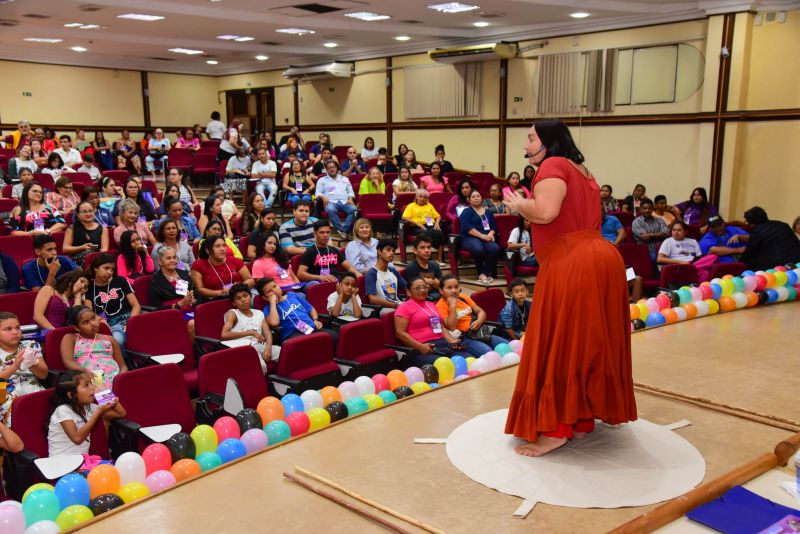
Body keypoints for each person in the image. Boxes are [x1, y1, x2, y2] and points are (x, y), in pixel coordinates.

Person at [502, 119, 637, 456]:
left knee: (564, 342)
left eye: (531, 138)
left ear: (548, 140)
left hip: (574, 262)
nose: (525, 145)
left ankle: (558, 428)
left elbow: (546, 212)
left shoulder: (552, 164)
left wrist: (519, 205)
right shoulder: (583, 170)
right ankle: (580, 420)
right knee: (586, 340)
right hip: (601, 258)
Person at [47, 369, 126, 458]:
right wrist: (98, 413)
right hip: (61, 463)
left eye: (91, 383)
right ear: (71, 395)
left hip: (82, 462)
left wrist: (106, 394)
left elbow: (121, 413)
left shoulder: (89, 407)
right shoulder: (62, 410)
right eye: (86, 385)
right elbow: (77, 439)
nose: (93, 388)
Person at [394, 277, 468, 366]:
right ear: (408, 292)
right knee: (448, 366)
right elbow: (400, 333)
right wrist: (420, 346)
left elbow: (440, 326)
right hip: (423, 348)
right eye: (417, 288)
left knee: (467, 360)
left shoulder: (431, 305)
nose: (422, 290)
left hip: (442, 344)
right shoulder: (404, 307)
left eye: (424, 287)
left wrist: (450, 340)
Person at [60, 306, 128, 390]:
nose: (93, 323)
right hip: (89, 381)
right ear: (76, 327)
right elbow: (68, 362)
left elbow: (123, 366)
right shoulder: (71, 338)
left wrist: (119, 379)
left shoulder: (110, 339)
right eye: (86, 322)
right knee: (106, 399)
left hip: (114, 380)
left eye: (93, 318)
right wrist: (85, 372)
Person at [436, 275, 505, 356]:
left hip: (479, 331)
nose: (454, 290)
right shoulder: (440, 306)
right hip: (463, 338)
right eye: (449, 288)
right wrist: (452, 306)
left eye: (456, 287)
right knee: (488, 352)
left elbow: (481, 312)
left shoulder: (463, 297)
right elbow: (451, 326)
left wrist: (479, 321)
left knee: (505, 344)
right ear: (441, 290)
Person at [0, 311, 48, 424]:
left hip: (33, 389)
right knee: (16, 418)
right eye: (8, 329)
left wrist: (31, 363)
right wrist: (15, 366)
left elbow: (44, 374)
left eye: (17, 328)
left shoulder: (30, 344)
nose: (15, 332)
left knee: (56, 411)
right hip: (4, 394)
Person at [259, 277, 336, 344]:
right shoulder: (268, 308)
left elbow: (311, 308)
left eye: (275, 286)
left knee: (333, 336)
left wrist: (315, 320)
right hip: (292, 334)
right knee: (308, 343)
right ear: (265, 297)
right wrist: (272, 303)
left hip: (311, 327)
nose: (275, 290)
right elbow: (274, 323)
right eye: (270, 291)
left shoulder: (293, 295)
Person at [87, 253, 141, 348]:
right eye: (106, 268)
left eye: (112, 269)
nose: (109, 272)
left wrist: (130, 323)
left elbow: (136, 305)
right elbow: (89, 312)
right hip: (110, 324)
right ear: (95, 268)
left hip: (130, 317)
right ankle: (126, 362)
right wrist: (101, 320)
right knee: (117, 340)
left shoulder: (120, 281)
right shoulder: (89, 287)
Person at [221, 283, 273, 373]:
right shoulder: (233, 313)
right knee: (260, 365)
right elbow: (224, 335)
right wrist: (251, 332)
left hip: (259, 345)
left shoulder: (259, 313)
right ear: (234, 303)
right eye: (238, 298)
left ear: (250, 296)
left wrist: (268, 348)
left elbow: (267, 333)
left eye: (245, 296)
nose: (243, 300)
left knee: (285, 353)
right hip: (242, 348)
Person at [297, 220, 358, 288]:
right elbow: (300, 274)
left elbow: (349, 267)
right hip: (317, 282)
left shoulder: (334, 250)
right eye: (321, 232)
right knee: (314, 284)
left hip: (335, 282)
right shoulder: (310, 251)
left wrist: (360, 277)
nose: (325, 235)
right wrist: (320, 277)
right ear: (315, 234)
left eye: (328, 232)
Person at [191, 236, 254, 301]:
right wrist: (220, 293)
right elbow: (200, 290)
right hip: (214, 301)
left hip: (240, 297)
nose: (222, 249)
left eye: (224, 245)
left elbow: (250, 280)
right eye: (217, 246)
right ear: (207, 250)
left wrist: (240, 287)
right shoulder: (198, 265)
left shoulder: (235, 261)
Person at [459, 190, 501, 284]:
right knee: (479, 249)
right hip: (469, 237)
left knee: (495, 248)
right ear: (469, 200)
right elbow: (467, 227)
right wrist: (481, 236)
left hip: (486, 236)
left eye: (478, 196)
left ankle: (484, 273)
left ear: (481, 198)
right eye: (473, 197)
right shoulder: (466, 212)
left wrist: (491, 234)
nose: (476, 198)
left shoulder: (488, 212)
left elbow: (494, 226)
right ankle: (480, 271)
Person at [149, 245, 196, 317]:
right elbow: (155, 308)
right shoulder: (155, 280)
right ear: (160, 262)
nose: (173, 261)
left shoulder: (183, 274)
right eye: (168, 258)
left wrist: (194, 301)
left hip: (190, 310)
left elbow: (196, 294)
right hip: (170, 314)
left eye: (174, 257)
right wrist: (178, 304)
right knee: (193, 323)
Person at [315, 159, 357, 237]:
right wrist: (323, 197)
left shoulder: (345, 179)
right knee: (331, 209)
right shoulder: (322, 180)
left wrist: (350, 198)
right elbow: (318, 192)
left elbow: (351, 191)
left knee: (354, 210)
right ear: (326, 169)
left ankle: (343, 230)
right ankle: (341, 229)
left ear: (337, 168)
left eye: (333, 167)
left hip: (345, 202)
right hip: (331, 202)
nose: (332, 168)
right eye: (329, 167)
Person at [401, 189, 445, 262]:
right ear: (416, 197)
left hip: (430, 224)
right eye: (420, 196)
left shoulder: (429, 205)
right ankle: (427, 258)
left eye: (424, 197)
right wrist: (417, 223)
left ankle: (439, 259)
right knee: (424, 234)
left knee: (439, 232)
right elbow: (404, 217)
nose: (422, 198)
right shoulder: (411, 206)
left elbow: (438, 216)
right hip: (416, 226)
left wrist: (437, 223)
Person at [365, 239, 406, 312]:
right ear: (379, 251)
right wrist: (395, 305)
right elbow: (372, 299)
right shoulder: (371, 273)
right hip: (384, 309)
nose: (391, 253)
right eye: (388, 250)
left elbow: (406, 287)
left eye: (393, 251)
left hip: (399, 306)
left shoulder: (392, 270)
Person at [404, 233, 444, 302]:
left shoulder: (434, 264)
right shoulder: (411, 267)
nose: (427, 250)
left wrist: (430, 281)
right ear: (415, 251)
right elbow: (417, 291)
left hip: (438, 297)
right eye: (422, 247)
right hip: (422, 300)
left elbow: (442, 286)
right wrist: (435, 282)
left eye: (429, 247)